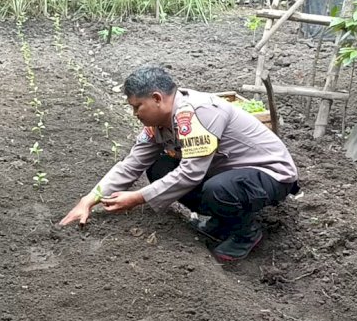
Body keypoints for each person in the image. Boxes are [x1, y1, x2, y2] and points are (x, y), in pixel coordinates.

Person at [60, 66, 299, 262]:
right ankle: (222, 220)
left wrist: (137, 198)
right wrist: (90, 199)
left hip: (271, 176)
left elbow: (191, 173)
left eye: (136, 106)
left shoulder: (198, 113)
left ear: (156, 98)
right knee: (160, 166)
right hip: (228, 173)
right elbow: (131, 164)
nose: (135, 114)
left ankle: (246, 233)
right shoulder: (158, 125)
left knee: (219, 189)